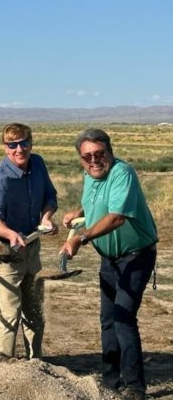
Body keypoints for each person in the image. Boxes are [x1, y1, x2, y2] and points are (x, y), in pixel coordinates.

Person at [60, 129, 157, 400]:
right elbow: (94, 201)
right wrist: (78, 213)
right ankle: (110, 381)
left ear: (110, 152)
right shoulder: (90, 175)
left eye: (99, 154)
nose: (93, 160)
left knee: (123, 317)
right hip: (109, 259)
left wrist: (81, 237)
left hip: (136, 255)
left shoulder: (121, 173)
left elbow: (117, 217)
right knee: (107, 320)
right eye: (87, 156)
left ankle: (135, 387)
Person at [0, 123, 58, 361]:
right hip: (4, 251)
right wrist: (9, 233)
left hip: (32, 245)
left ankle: (36, 363)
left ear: (31, 143)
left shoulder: (38, 164)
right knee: (11, 310)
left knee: (34, 309)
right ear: (5, 148)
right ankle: (3, 363)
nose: (19, 149)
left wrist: (46, 217)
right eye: (12, 145)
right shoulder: (0, 177)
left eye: (24, 143)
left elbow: (50, 196)